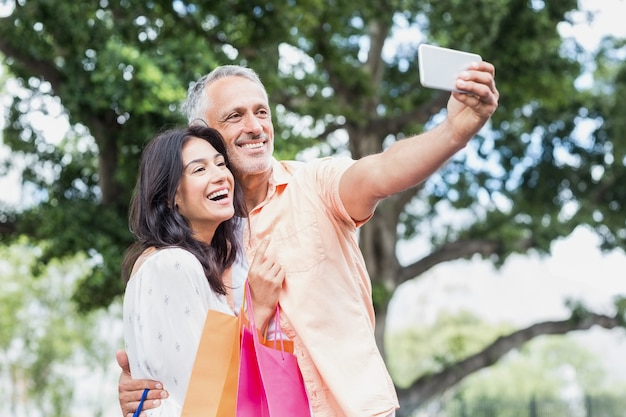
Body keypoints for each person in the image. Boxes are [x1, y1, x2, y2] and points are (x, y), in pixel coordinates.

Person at [118, 60, 499, 417]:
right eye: (235, 116)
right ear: (203, 134)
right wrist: (154, 389)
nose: (254, 126)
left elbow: (382, 172)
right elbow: (195, 371)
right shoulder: (201, 245)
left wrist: (453, 132)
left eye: (261, 112)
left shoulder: (315, 184)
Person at [122, 125, 286, 416]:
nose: (221, 175)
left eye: (221, 164)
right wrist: (258, 309)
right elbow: (204, 395)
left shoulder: (183, 264)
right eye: (199, 170)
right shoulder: (172, 264)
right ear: (170, 196)